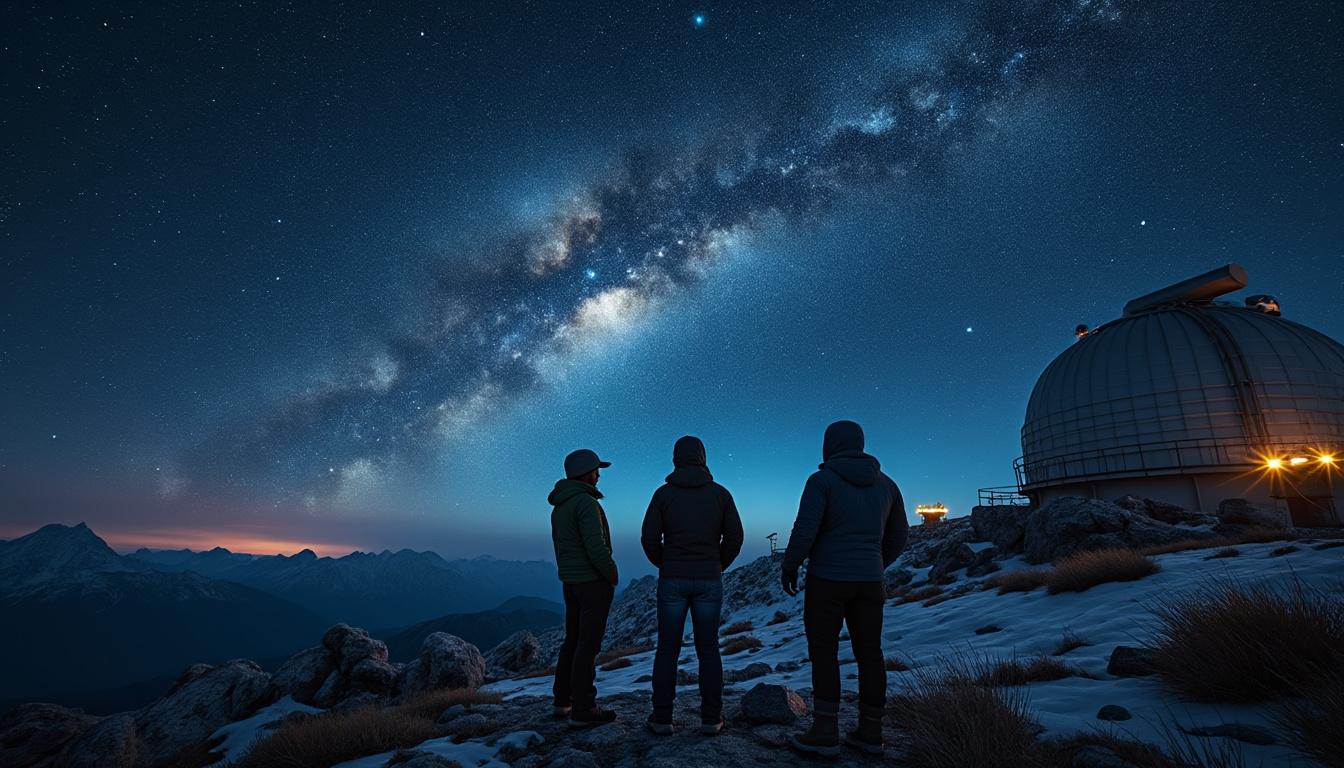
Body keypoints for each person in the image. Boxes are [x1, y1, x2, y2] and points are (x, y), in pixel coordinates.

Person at [781, 420, 908, 756]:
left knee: (824, 653)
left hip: (827, 581)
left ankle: (825, 732)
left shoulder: (821, 480)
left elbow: (806, 528)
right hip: (869, 582)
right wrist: (875, 563)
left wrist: (791, 564)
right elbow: (899, 536)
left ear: (830, 444)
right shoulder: (888, 485)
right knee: (870, 654)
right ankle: (871, 733)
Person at [640, 436, 745, 736]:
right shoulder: (721, 495)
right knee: (709, 648)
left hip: (672, 579)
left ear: (676, 459)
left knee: (667, 649)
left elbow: (649, 539)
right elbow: (735, 538)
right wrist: (716, 565)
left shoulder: (663, 495)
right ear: (703, 457)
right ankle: (711, 718)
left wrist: (667, 564)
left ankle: (662, 718)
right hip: (709, 580)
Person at [549, 448, 620, 728]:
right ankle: (583, 708)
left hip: (571, 582)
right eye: (596, 470)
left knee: (573, 640)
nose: (599, 474)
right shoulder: (586, 504)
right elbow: (596, 548)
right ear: (586, 473)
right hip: (592, 583)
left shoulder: (561, 506)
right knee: (588, 645)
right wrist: (611, 574)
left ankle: (562, 700)